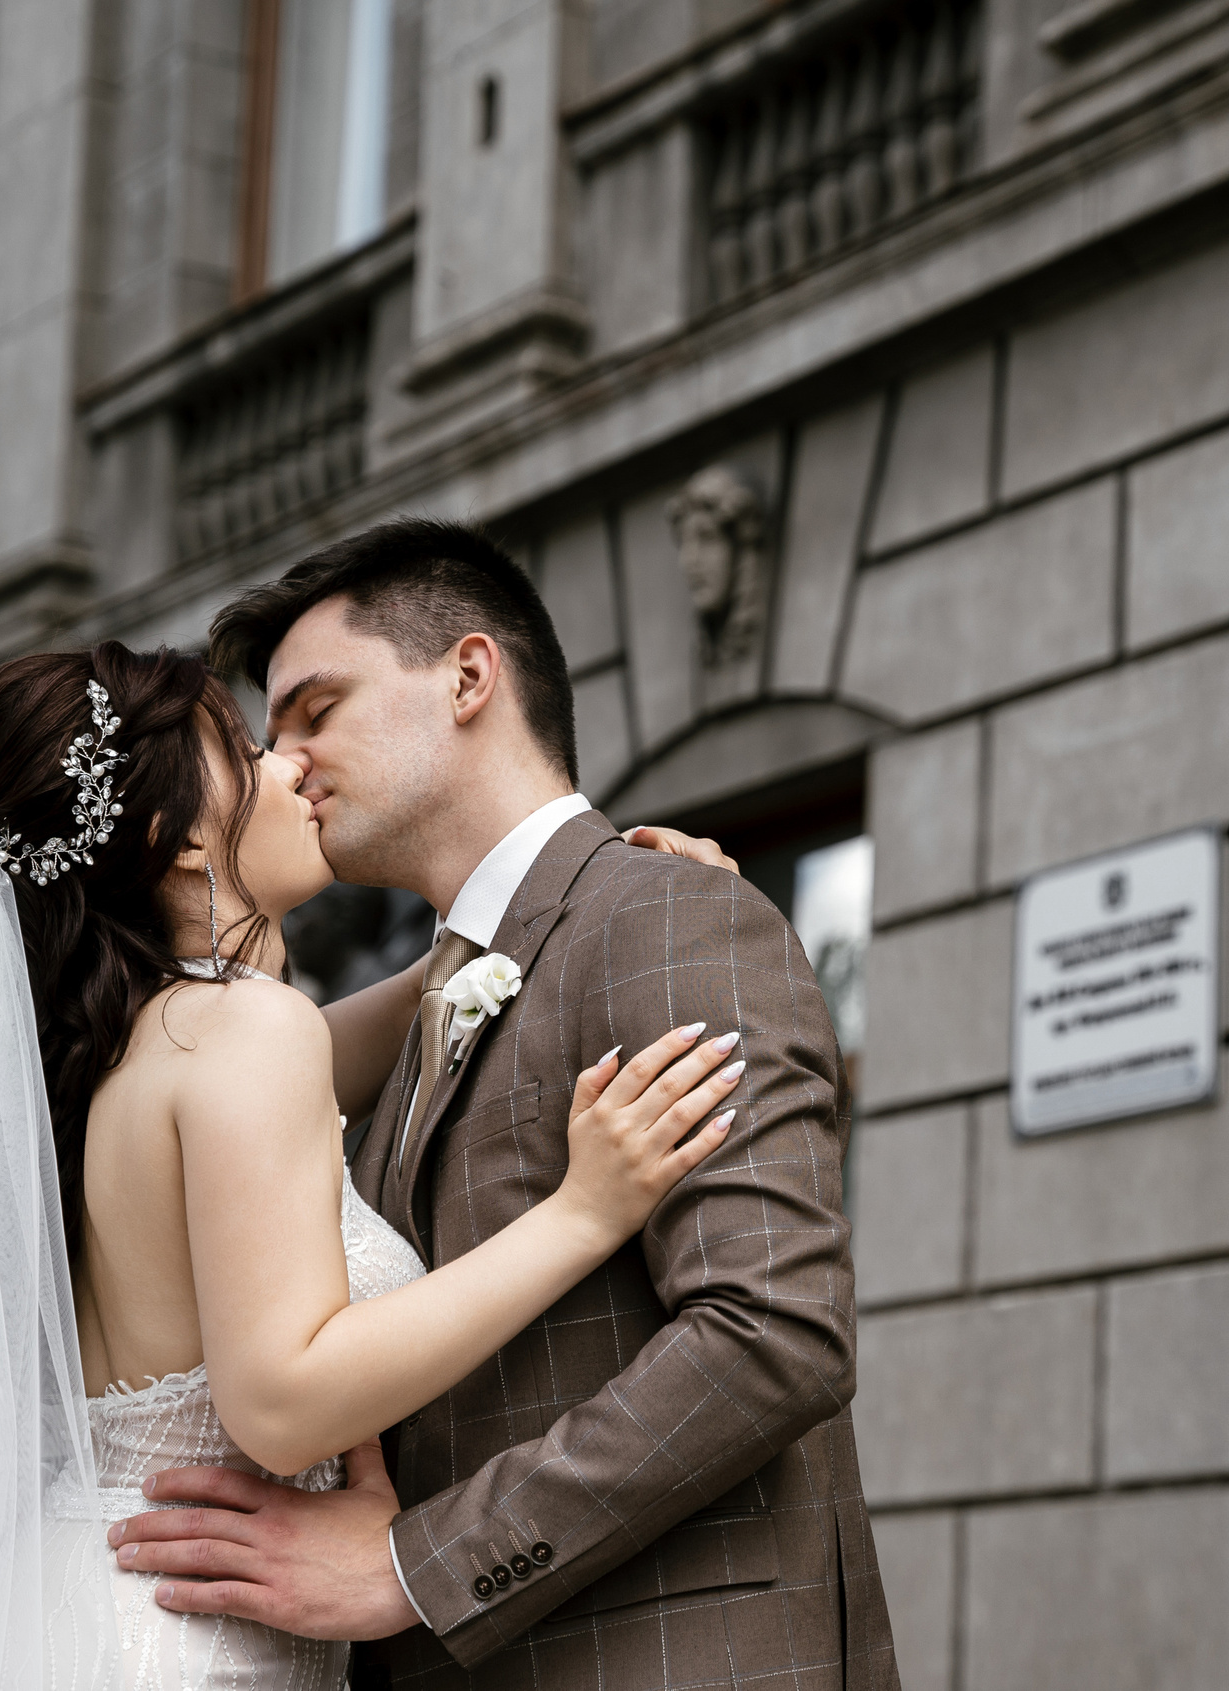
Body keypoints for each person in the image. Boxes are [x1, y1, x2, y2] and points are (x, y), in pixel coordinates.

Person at [0, 638, 741, 1688]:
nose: (292, 767)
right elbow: (283, 1398)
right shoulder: (243, 1030)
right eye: (247, 747)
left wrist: (582, 897)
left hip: (78, 1610)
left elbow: (421, 1001)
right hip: (176, 1647)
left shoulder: (130, 1048)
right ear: (177, 836)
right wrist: (585, 1211)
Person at [108, 518, 898, 1688]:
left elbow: (772, 1332)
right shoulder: (410, 998)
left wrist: (414, 1569)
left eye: (315, 711)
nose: (290, 765)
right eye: (266, 740)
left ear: (470, 676)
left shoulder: (669, 916)